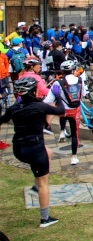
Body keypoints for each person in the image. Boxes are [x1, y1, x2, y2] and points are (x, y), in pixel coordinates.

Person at [0, 77, 65, 227]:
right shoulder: (39, 107)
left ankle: (36, 185)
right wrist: (58, 97)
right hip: (35, 147)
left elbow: (1, 120)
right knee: (44, 183)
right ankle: (45, 218)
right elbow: (60, 111)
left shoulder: (14, 109)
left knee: (49, 152)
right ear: (34, 91)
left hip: (19, 148)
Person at [44, 60, 86, 165]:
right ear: (73, 70)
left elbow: (48, 100)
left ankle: (62, 131)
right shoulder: (80, 80)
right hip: (75, 110)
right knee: (74, 134)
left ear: (62, 71)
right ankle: (74, 156)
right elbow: (84, 94)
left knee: (61, 115)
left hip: (63, 109)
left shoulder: (57, 83)